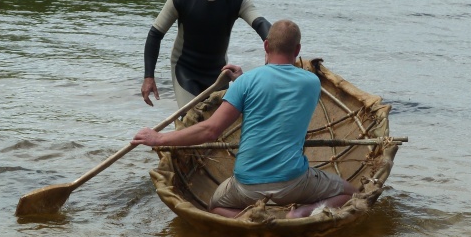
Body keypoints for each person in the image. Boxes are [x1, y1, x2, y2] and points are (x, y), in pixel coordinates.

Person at [131, 20, 358, 219]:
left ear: (266, 46)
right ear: (298, 49)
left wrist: (159, 137)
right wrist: (245, 81)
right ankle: (301, 213)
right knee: (350, 193)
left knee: (215, 205)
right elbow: (278, 94)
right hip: (295, 183)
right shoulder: (312, 83)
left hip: (246, 186)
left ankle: (244, 219)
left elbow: (210, 130)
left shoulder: (246, 82)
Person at [141, 0, 271, 107]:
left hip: (218, 74)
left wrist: (271, 45)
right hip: (186, 72)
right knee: (191, 121)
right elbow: (155, 34)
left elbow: (260, 23)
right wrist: (148, 77)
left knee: (218, 129)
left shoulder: (236, 0)